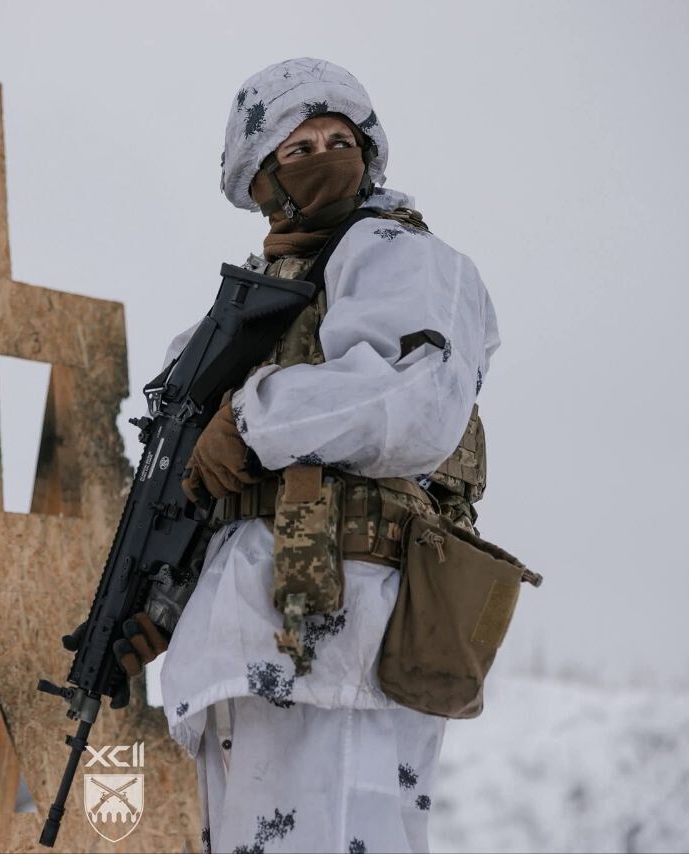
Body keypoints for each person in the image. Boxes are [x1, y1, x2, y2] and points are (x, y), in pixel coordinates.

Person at [114, 58, 501, 853]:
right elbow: (201, 491)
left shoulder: (403, 258)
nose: (325, 156)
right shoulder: (241, 313)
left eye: (340, 139)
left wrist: (248, 419)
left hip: (343, 641)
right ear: (259, 181)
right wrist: (159, 601)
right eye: (297, 148)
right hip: (245, 650)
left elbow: (408, 398)